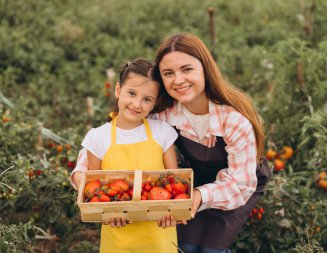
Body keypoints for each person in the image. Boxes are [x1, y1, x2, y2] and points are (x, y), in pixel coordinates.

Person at [72, 33, 270, 253]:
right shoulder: (164, 113)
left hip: (235, 185)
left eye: (187, 69)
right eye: (168, 73)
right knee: (185, 246)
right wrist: (83, 175)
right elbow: (115, 134)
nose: (178, 80)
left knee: (211, 250)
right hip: (192, 181)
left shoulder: (233, 121)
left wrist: (199, 196)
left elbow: (241, 183)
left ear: (205, 68)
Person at [75, 58, 179, 253]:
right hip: (118, 239)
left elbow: (174, 184)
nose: (136, 104)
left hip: (158, 236)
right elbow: (94, 191)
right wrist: (108, 213)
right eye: (131, 93)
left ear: (154, 103)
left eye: (147, 99)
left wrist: (170, 212)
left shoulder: (163, 132)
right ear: (117, 90)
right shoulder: (98, 137)